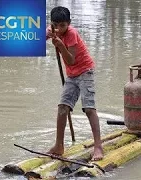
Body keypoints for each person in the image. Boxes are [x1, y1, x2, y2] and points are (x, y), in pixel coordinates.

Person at [46, 6, 103, 160]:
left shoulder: (71, 34)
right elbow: (39, 38)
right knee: (62, 108)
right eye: (55, 25)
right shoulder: (53, 29)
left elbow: (70, 60)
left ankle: (98, 147)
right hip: (72, 75)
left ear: (68, 23)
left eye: (62, 25)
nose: (59, 29)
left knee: (89, 108)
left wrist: (60, 45)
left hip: (85, 71)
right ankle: (59, 145)